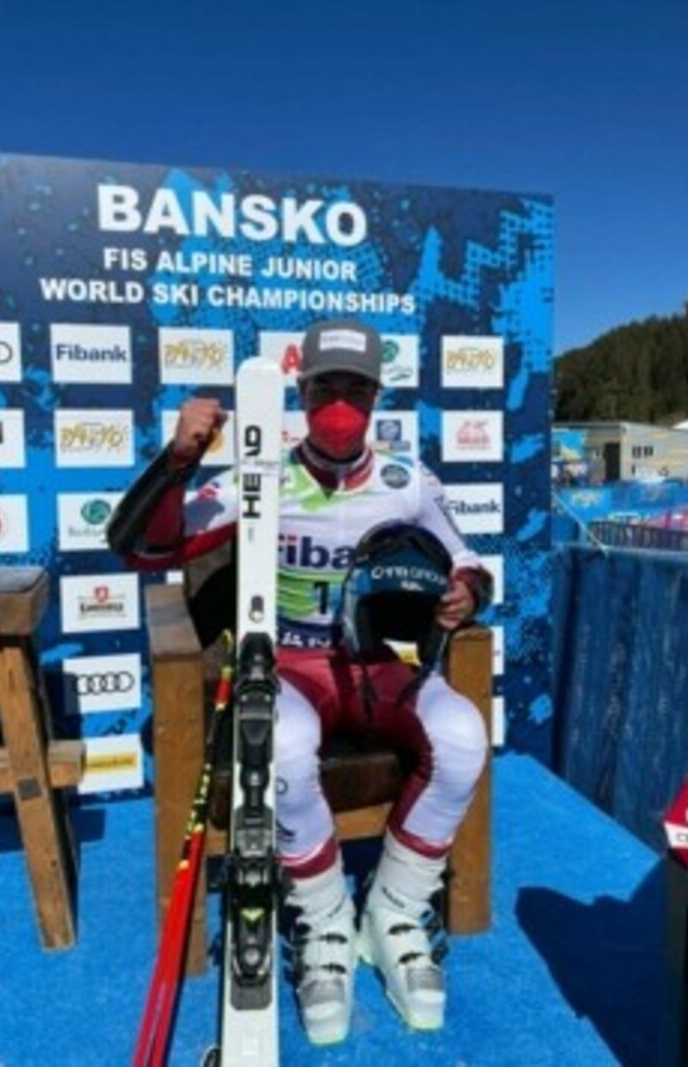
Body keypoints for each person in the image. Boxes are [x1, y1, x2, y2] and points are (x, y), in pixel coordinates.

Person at [108, 318, 491, 1045]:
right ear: (302, 392)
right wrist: (180, 458)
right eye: (325, 388)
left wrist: (466, 591)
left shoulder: (408, 481)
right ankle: (322, 923)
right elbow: (144, 546)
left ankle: (394, 911)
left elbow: (468, 559)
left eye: (356, 388)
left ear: (376, 396)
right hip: (289, 663)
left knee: (464, 734)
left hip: (375, 662)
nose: (340, 403)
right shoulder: (263, 473)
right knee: (279, 745)